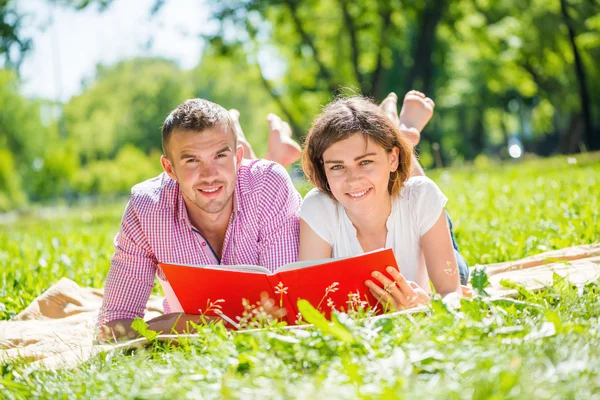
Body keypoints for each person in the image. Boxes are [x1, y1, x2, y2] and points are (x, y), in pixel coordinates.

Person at [96, 98, 302, 341]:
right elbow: (110, 328)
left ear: (238, 158)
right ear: (169, 168)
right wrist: (170, 326)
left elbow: (285, 312)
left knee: (258, 180)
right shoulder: (147, 207)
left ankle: (269, 150)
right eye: (192, 160)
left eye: (220, 156)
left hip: (257, 187)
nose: (209, 175)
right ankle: (269, 147)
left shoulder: (269, 184)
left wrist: (187, 325)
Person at [299, 96, 464, 311]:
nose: (352, 179)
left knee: (461, 273)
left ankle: (403, 130)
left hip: (417, 207)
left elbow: (452, 293)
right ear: (323, 169)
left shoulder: (421, 196)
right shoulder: (318, 208)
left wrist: (426, 306)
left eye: (365, 162)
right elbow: (310, 305)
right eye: (337, 167)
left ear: (392, 159)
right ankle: (399, 129)